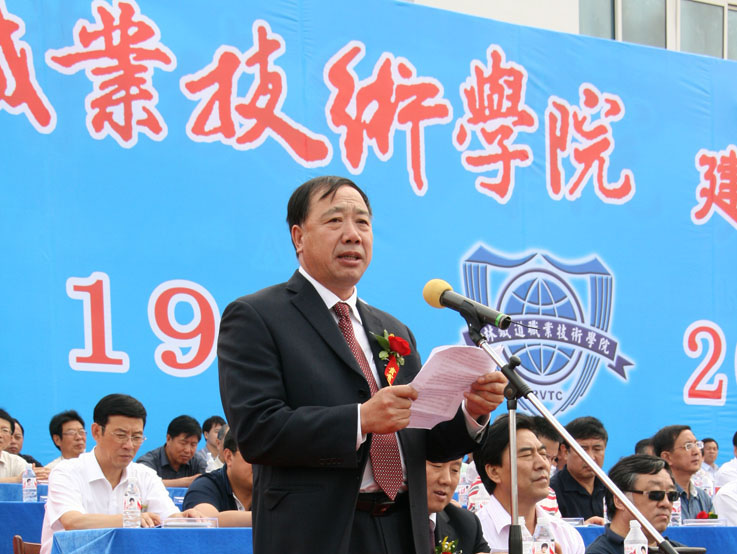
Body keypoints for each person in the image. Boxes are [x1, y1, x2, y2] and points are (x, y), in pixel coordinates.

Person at [218, 175, 507, 554]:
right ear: (298, 237)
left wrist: (471, 412)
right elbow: (259, 430)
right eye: (335, 221)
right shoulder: (257, 316)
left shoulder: (392, 329)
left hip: (403, 529)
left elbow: (426, 442)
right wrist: (360, 419)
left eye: (362, 223)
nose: (353, 235)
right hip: (316, 535)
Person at [40, 394, 203, 554]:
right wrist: (130, 519)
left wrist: (184, 519)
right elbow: (73, 521)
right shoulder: (66, 472)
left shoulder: (145, 475)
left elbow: (167, 518)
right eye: (120, 435)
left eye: (137, 437)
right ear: (96, 432)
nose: (129, 445)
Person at [473, 414, 584, 553]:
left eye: (543, 454)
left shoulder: (567, 536)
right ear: (494, 472)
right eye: (526, 455)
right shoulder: (473, 535)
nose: (543, 464)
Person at [585, 455, 684, 554]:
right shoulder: (599, 552)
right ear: (619, 500)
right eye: (655, 494)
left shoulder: (680, 550)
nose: (666, 503)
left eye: (672, 495)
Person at [182, 428, 252, 526]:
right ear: (229, 457)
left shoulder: (271, 487)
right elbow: (207, 521)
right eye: (253, 456)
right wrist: (268, 519)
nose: (262, 465)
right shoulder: (205, 486)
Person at [550, 416, 608, 524]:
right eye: (582, 450)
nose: (591, 457)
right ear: (565, 451)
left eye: (597, 449)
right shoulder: (551, 492)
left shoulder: (612, 489)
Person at [426, 455, 489, 554]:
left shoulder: (466, 524)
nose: (447, 480)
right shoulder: (397, 525)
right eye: (437, 466)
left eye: (454, 470)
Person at [652, 424, 712, 519]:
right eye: (688, 446)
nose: (696, 452)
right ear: (667, 457)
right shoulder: (657, 497)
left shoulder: (703, 498)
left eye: (697, 444)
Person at [137, 414, 206, 487]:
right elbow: (143, 484)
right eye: (183, 443)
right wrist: (186, 482)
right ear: (168, 439)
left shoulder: (197, 462)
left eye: (193, 445)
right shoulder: (148, 461)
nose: (188, 450)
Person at [0, 409, 27, 483]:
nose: (0, 435)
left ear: (10, 438)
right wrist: (16, 479)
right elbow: (20, 479)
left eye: (5, 430)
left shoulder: (17, 462)